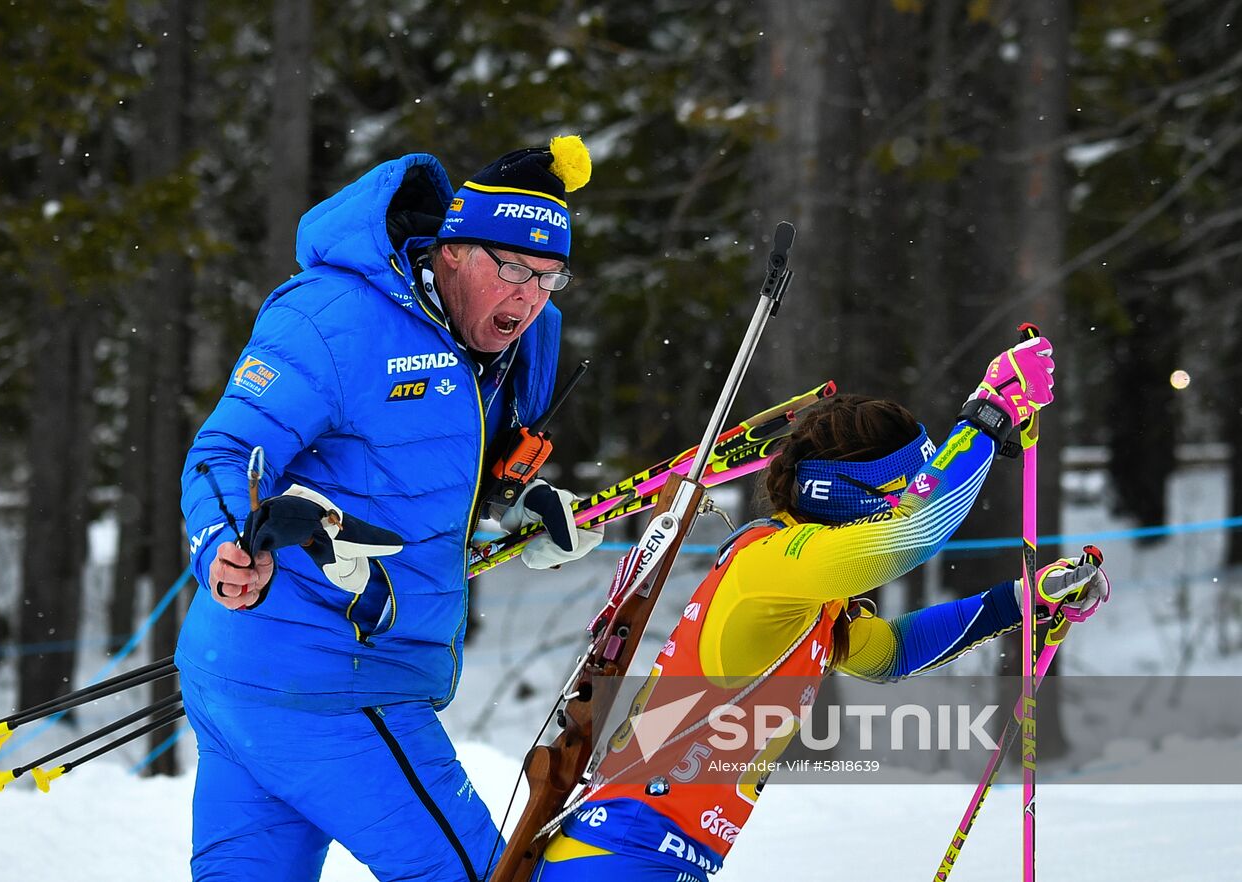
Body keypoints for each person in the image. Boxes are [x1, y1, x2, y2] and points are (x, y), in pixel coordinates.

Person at [176, 136, 604, 882]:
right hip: (331, 685)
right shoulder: (336, 318)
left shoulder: (506, 346)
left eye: (548, 277)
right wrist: (224, 543)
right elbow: (226, 452)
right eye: (512, 269)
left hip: (246, 676)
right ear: (453, 250)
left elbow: (440, 470)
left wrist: (524, 506)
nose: (530, 297)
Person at [530, 337, 1112, 880]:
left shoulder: (812, 593)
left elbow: (892, 653)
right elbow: (918, 531)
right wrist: (987, 416)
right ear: (838, 490)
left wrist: (1023, 600)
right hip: (622, 851)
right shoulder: (775, 565)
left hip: (654, 852)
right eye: (903, 488)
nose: (909, 501)